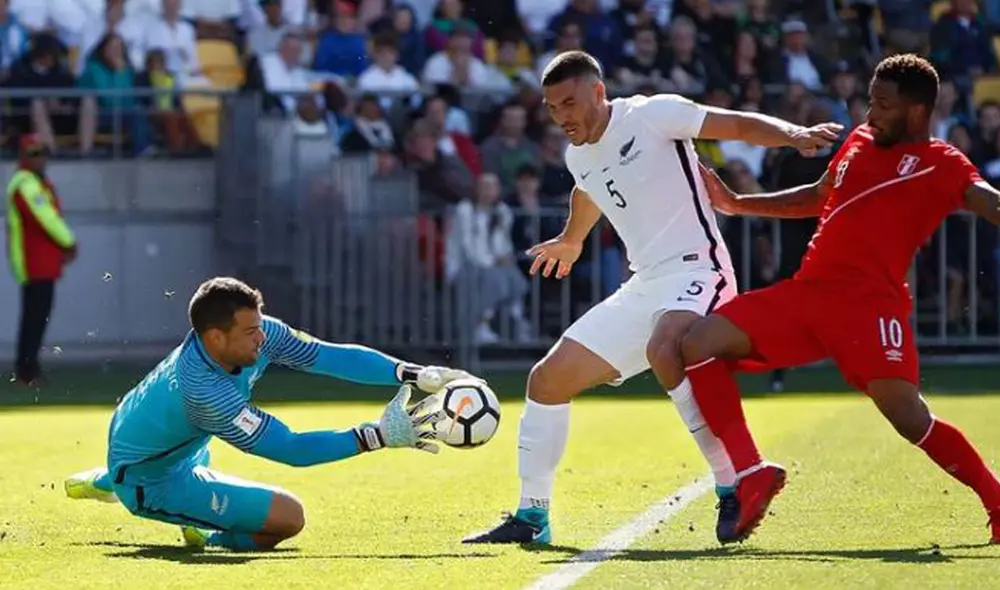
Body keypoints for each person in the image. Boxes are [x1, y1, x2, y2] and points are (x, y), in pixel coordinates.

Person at [463, 50, 841, 545]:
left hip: (699, 270)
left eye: (570, 103)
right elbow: (588, 189)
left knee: (664, 348)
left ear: (598, 92)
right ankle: (532, 517)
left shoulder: (652, 114)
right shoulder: (579, 153)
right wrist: (572, 239)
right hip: (644, 286)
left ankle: (730, 487)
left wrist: (791, 133)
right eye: (553, 108)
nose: (562, 117)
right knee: (546, 380)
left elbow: (737, 126)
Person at [680, 53, 1000, 544]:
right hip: (808, 294)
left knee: (910, 419)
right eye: (870, 101)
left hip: (870, 307)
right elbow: (818, 194)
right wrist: (738, 204)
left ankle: (995, 500)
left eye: (883, 105)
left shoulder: (943, 162)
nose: (871, 114)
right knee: (697, 342)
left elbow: (989, 202)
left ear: (917, 111)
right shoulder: (859, 138)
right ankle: (752, 474)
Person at [64, 277, 481, 551]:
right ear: (214, 337)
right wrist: (376, 436)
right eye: (251, 332)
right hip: (151, 477)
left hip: (156, 440)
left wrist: (409, 372)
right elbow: (290, 449)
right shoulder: (204, 392)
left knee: (173, 450)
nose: (262, 339)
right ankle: (193, 527)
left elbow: (326, 356)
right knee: (287, 519)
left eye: (260, 326)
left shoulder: (252, 334)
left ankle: (106, 476)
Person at [5, 133, 77, 386]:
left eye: (42, 153)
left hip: (42, 261)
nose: (40, 159)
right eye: (34, 154)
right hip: (35, 262)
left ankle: (28, 367)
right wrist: (68, 241)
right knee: (34, 317)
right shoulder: (25, 184)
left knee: (36, 316)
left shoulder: (34, 181)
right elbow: (45, 217)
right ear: (24, 157)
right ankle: (27, 370)